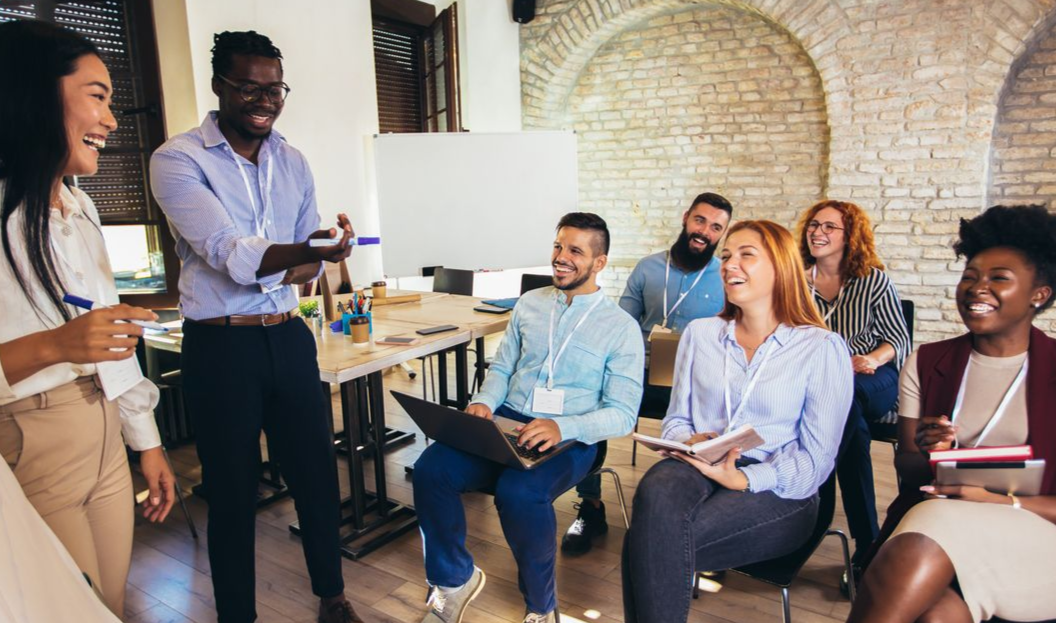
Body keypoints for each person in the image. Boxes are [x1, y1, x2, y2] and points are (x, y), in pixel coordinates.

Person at [149, 31, 363, 623]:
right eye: (249, 88)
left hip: (288, 335)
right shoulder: (177, 160)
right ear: (219, 86)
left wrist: (319, 251)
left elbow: (303, 267)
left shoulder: (293, 161)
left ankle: (333, 597)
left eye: (275, 89)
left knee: (318, 475)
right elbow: (229, 252)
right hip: (221, 346)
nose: (264, 100)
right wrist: (301, 250)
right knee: (233, 492)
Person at [0, 21, 175, 617]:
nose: (112, 120)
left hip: (103, 424)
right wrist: (56, 345)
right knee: (69, 608)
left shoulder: (82, 207)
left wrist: (144, 442)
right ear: (34, 94)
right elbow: (74, 341)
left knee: (112, 602)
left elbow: (110, 340)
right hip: (33, 433)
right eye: (97, 96)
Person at [412, 213, 644, 623]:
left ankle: (541, 608)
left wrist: (562, 427)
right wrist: (484, 402)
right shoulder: (529, 304)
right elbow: (501, 369)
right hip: (506, 420)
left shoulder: (621, 328)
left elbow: (623, 414)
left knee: (519, 493)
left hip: (573, 438)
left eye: (575, 250)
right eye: (558, 246)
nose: (561, 257)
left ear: (600, 263)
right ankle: (453, 581)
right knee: (432, 469)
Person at [622, 220, 853, 623]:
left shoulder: (821, 348)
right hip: (701, 463)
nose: (729, 265)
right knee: (655, 489)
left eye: (747, 255)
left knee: (649, 540)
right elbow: (675, 419)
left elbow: (817, 461)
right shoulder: (700, 334)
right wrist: (689, 438)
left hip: (779, 486)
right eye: (726, 256)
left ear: (781, 267)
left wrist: (746, 479)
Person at [848, 205, 1056, 623]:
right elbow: (909, 470)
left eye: (999, 278)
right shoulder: (927, 361)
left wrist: (999, 499)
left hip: (1036, 531)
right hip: (941, 522)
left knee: (928, 528)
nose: (976, 288)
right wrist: (932, 454)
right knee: (938, 613)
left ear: (1040, 294)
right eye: (969, 276)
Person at [561, 192, 731, 554]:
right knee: (593, 402)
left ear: (722, 234)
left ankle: (703, 521)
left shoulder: (725, 277)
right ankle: (590, 506)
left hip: (696, 383)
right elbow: (618, 324)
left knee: (719, 418)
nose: (705, 232)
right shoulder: (648, 268)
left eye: (716, 227)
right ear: (686, 218)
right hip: (640, 372)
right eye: (700, 220)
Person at [796, 200, 910, 569]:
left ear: (850, 236)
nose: (818, 232)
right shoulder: (798, 280)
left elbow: (898, 340)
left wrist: (870, 360)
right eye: (814, 225)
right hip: (824, 382)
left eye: (829, 227)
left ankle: (811, 509)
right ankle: (867, 542)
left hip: (872, 379)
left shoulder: (873, 280)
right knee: (847, 418)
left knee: (845, 401)